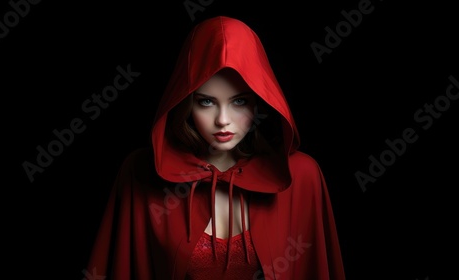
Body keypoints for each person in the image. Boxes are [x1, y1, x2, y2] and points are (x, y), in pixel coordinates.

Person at [85, 15, 346, 280]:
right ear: (185, 103)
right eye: (207, 102)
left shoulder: (301, 176)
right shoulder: (140, 171)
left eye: (239, 102)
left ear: (260, 101)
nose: (223, 120)